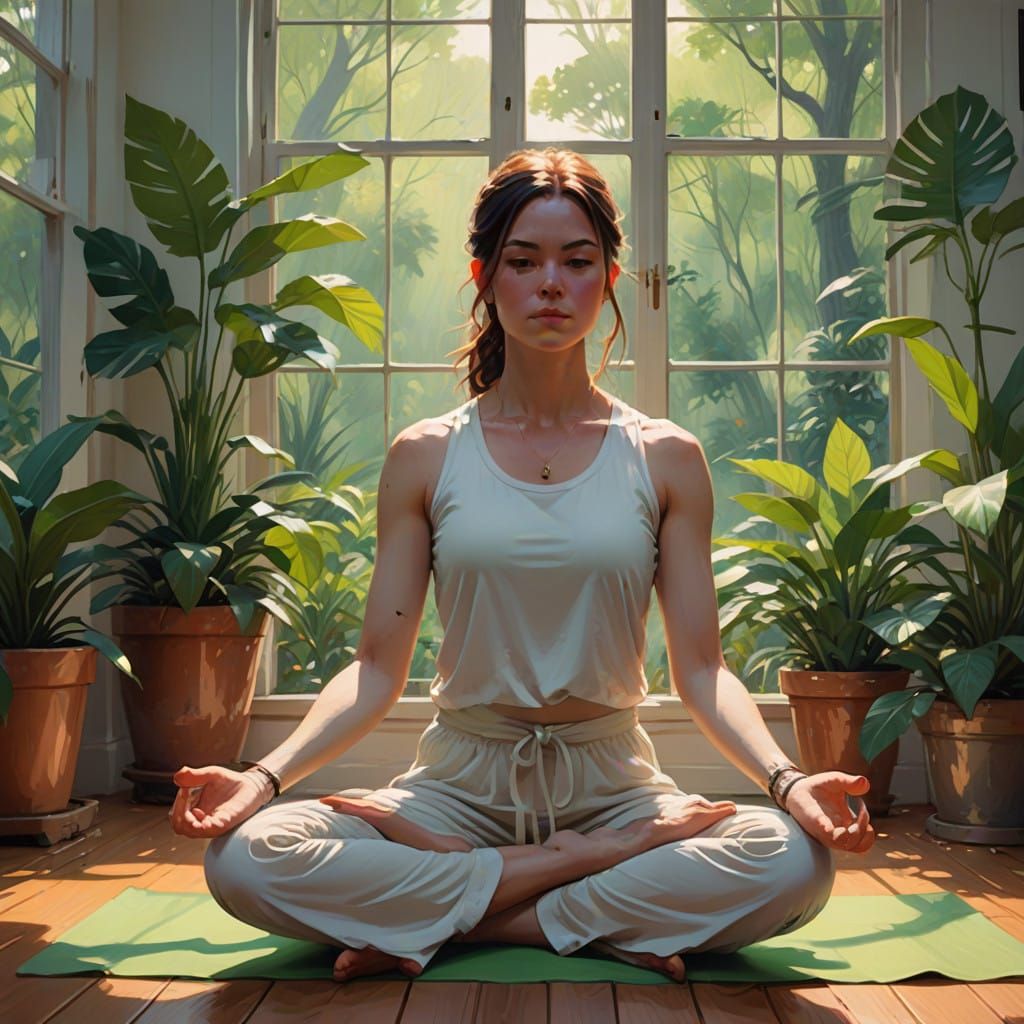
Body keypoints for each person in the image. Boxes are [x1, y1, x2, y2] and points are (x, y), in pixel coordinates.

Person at [168, 147, 875, 985]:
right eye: (523, 261)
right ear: (485, 275)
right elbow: (372, 668)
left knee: (791, 860)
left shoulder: (667, 457)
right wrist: (261, 778)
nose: (550, 284)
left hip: (614, 781)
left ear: (609, 278)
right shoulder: (427, 455)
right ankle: (587, 881)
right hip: (457, 786)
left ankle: (474, 909)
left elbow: (703, 668)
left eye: (576, 263)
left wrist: (788, 784)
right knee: (248, 857)